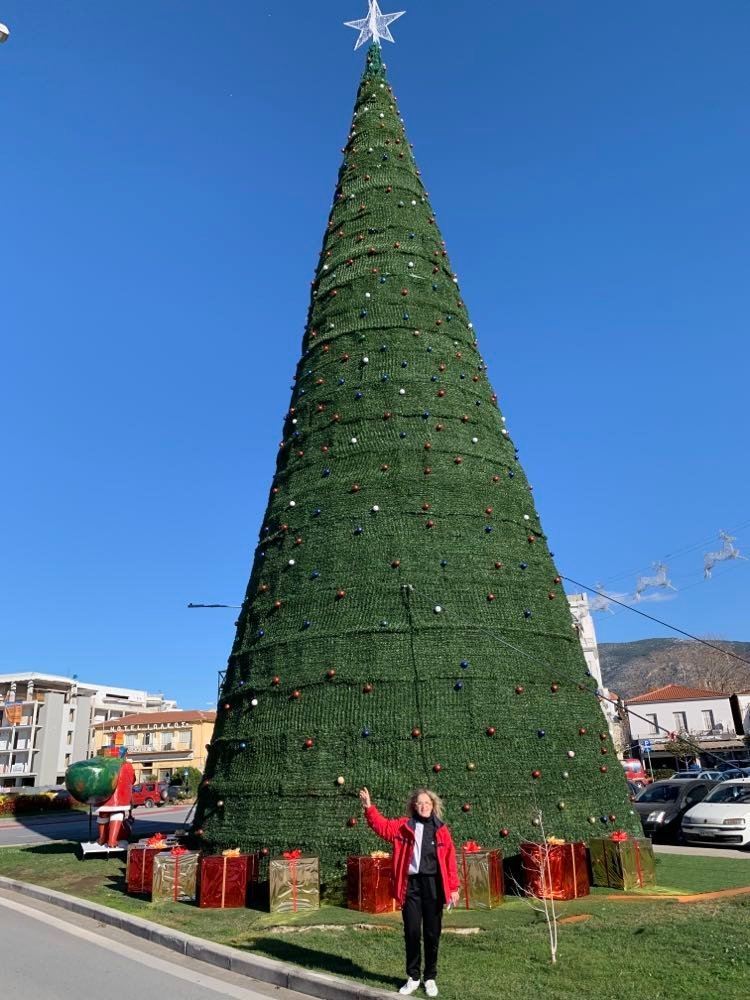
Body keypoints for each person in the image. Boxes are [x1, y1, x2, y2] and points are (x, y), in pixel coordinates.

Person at [359, 786, 460, 998]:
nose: (424, 806)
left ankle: (430, 977)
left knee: (432, 934)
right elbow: (382, 826)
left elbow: (450, 860)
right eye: (420, 803)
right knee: (412, 932)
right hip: (411, 886)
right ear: (414, 806)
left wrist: (453, 888)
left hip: (433, 886)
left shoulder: (441, 829)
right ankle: (413, 977)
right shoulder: (403, 826)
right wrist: (369, 808)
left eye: (428, 803)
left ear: (433, 806)